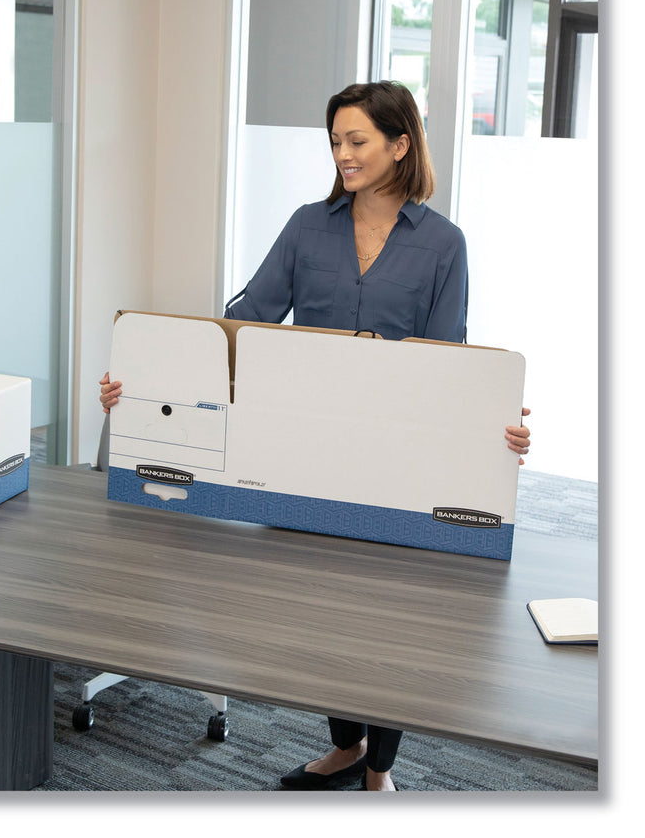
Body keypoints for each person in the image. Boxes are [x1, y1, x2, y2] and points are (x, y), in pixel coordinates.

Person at [99, 80, 531, 792]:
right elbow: (242, 326)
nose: (343, 154)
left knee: (387, 619)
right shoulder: (308, 226)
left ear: (400, 144)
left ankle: (380, 772)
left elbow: (450, 363)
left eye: (357, 140)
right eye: (335, 142)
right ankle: (345, 745)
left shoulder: (443, 243)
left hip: (396, 457)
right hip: (304, 453)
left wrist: (496, 426)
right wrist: (146, 381)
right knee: (317, 613)